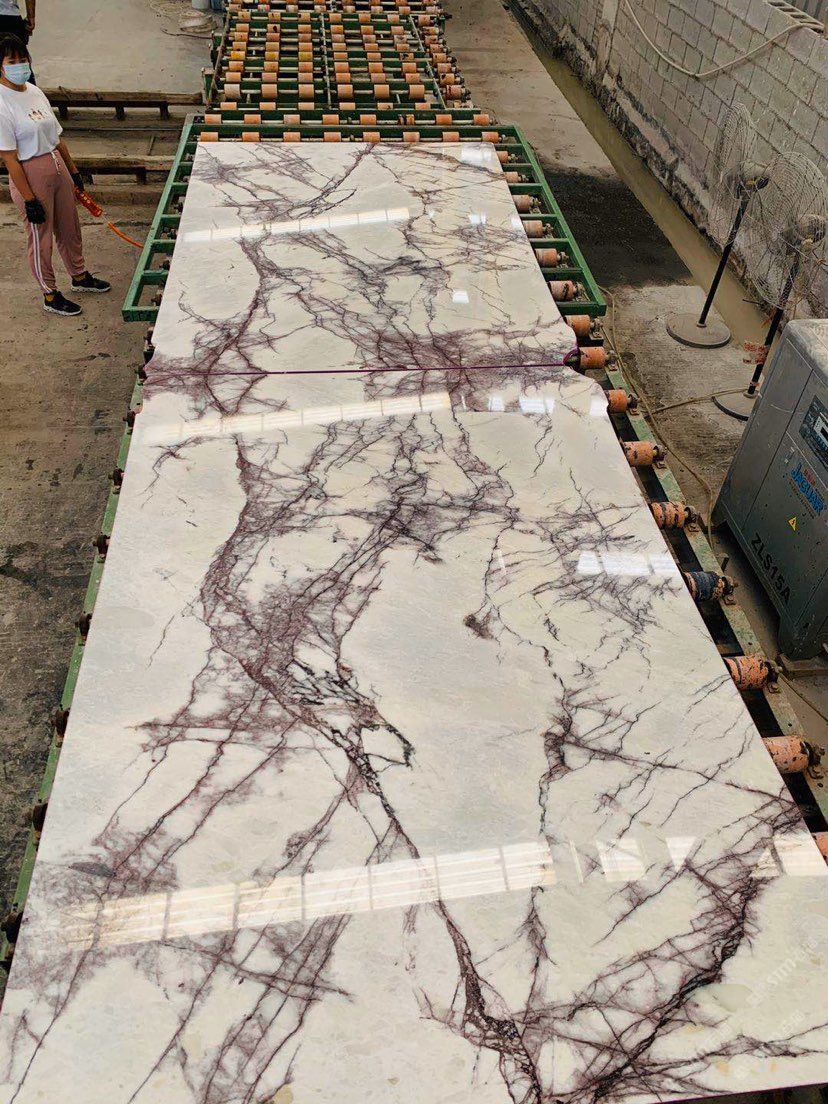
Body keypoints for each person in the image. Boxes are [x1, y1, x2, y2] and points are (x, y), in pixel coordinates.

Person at [0, 34, 109, 316]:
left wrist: (73, 171)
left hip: (56, 164)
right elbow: (9, 158)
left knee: (70, 227)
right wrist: (29, 199)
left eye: (23, 59)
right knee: (41, 237)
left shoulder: (34, 91)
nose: (19, 65)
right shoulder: (2, 102)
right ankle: (49, 293)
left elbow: (57, 137)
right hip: (30, 172)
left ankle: (79, 275)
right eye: (12, 61)